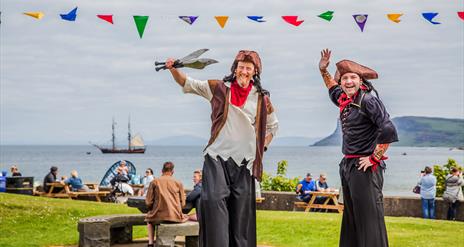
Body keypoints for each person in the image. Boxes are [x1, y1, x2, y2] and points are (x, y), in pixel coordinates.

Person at [164, 50, 278, 246]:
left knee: (241, 214)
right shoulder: (218, 88)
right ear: (234, 69)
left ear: (255, 72)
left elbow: (273, 126)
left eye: (248, 68)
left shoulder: (262, 98)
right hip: (217, 157)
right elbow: (187, 83)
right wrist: (173, 69)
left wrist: (262, 148)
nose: (244, 71)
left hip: (245, 163)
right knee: (214, 201)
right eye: (241, 67)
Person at [318, 49, 398, 247]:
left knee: (369, 218)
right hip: (349, 165)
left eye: (352, 77)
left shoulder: (368, 100)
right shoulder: (345, 100)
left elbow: (387, 128)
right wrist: (323, 70)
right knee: (352, 217)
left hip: (365, 168)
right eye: (344, 78)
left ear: (361, 81)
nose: (348, 82)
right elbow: (331, 87)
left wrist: (374, 158)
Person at [145, 161, 188, 247]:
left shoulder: (154, 182)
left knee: (149, 220)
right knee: (186, 217)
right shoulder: (178, 183)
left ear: (162, 171)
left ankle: (150, 243)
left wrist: (151, 208)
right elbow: (183, 204)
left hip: (158, 217)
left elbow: (148, 202)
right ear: (172, 172)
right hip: (175, 217)